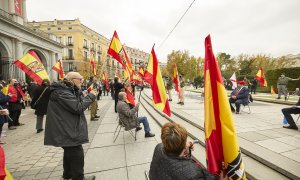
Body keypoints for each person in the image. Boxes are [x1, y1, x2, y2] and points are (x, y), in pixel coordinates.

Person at [44, 72, 96, 180]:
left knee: (69, 151)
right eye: (80, 79)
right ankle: (78, 178)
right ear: (72, 80)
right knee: (77, 153)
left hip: (66, 126)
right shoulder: (62, 92)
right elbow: (78, 107)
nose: (82, 82)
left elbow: (75, 103)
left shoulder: (65, 90)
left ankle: (67, 175)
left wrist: (81, 93)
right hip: (66, 128)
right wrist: (91, 96)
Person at [149, 122, 217, 180]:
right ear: (184, 146)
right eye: (185, 141)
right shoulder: (192, 175)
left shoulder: (158, 147)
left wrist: (184, 147)